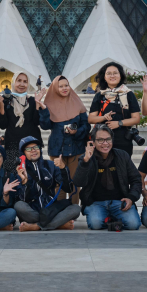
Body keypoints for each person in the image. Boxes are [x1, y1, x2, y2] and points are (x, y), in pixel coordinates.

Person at [73, 124, 142, 230]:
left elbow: (136, 179)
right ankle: (110, 218)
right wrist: (85, 161)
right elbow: (78, 182)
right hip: (95, 202)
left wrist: (131, 198)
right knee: (95, 224)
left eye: (108, 139)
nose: (105, 143)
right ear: (93, 142)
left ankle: (110, 218)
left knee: (133, 224)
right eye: (100, 140)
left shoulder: (122, 156)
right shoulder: (86, 158)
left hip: (119, 201)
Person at [36, 75, 89, 204]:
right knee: (59, 179)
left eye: (66, 85)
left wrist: (77, 132)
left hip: (76, 148)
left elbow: (86, 125)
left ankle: (73, 210)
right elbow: (45, 126)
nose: (64, 88)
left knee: (74, 180)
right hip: (57, 148)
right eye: (61, 86)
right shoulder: (48, 105)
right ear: (55, 88)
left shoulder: (77, 103)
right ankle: (59, 208)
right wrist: (42, 109)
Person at [14, 136, 81, 231]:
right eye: (29, 149)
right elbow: (22, 199)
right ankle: (57, 224)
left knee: (76, 209)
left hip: (51, 210)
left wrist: (63, 169)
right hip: (33, 211)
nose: (33, 150)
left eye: (36, 147)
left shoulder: (50, 165)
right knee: (18, 205)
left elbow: (68, 189)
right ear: (23, 153)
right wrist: (24, 182)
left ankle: (36, 226)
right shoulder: (21, 171)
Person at [89, 62, 141, 156]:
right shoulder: (100, 95)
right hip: (102, 141)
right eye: (108, 73)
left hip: (123, 141)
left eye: (115, 73)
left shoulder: (128, 94)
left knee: (122, 167)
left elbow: (136, 118)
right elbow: (91, 119)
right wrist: (104, 118)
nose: (112, 76)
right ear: (104, 77)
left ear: (120, 75)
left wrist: (118, 123)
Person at [0, 72, 41, 174]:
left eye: (25, 81)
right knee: (13, 177)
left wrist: (38, 105)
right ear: (13, 82)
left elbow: (36, 122)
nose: (22, 84)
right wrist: (1, 107)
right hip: (12, 146)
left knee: (32, 177)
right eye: (19, 81)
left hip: (31, 146)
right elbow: (2, 125)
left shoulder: (32, 101)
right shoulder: (7, 101)